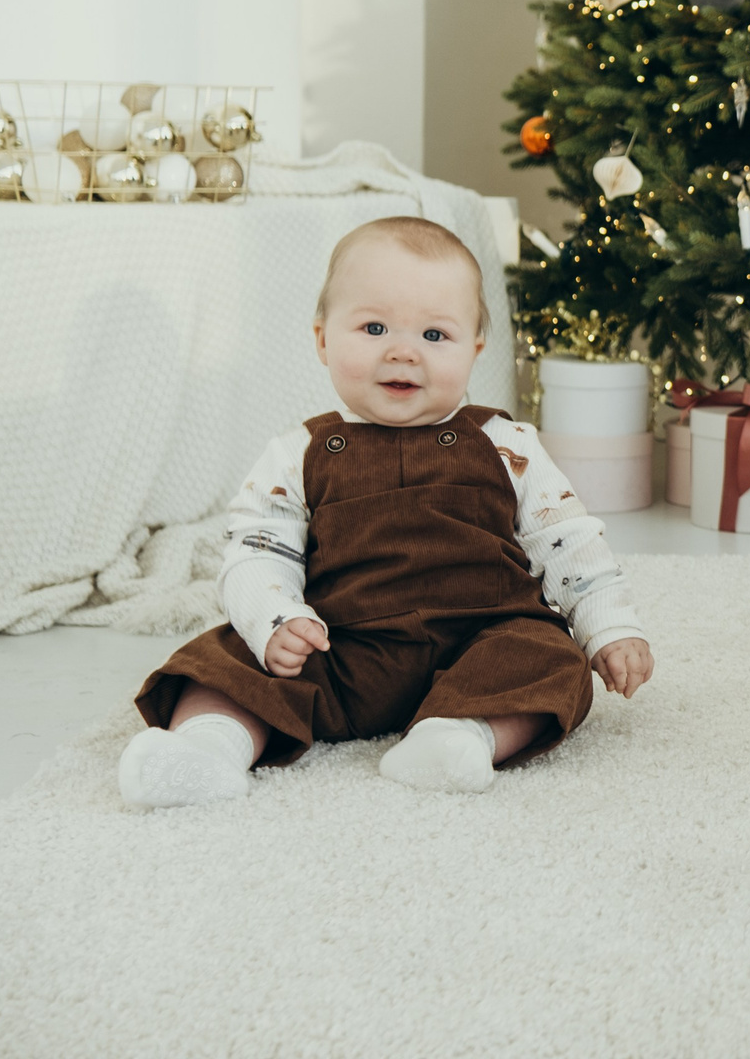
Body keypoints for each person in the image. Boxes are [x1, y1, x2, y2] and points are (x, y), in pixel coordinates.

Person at [118, 216, 653, 806]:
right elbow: (256, 550)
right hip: (340, 652)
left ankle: (461, 735)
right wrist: (275, 620)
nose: (403, 352)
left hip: (483, 639)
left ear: (475, 349)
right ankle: (208, 748)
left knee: (552, 659)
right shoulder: (298, 452)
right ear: (322, 339)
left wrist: (609, 626)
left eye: (435, 336)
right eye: (374, 328)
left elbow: (569, 541)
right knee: (221, 656)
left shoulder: (507, 443)